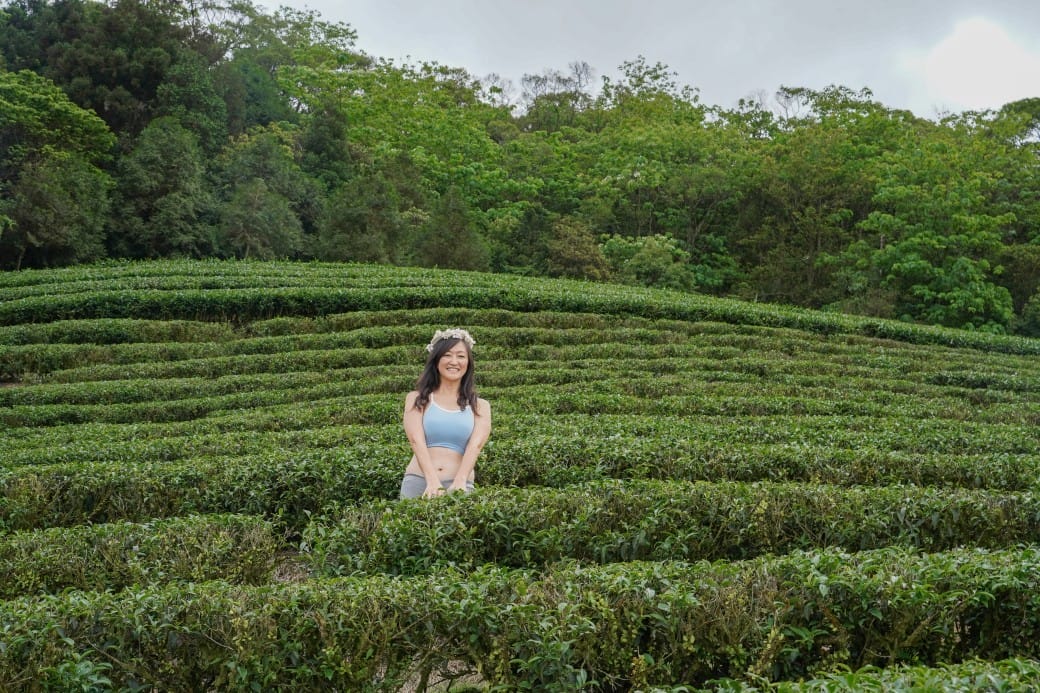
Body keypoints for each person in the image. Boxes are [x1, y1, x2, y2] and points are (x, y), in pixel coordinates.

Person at [400, 328, 491, 499]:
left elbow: (475, 446)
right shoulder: (417, 399)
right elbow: (415, 440)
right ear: (436, 360)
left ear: (468, 363)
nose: (454, 361)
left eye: (461, 356)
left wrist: (460, 481)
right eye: (447, 355)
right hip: (419, 481)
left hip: (460, 485)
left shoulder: (480, 406)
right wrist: (432, 481)